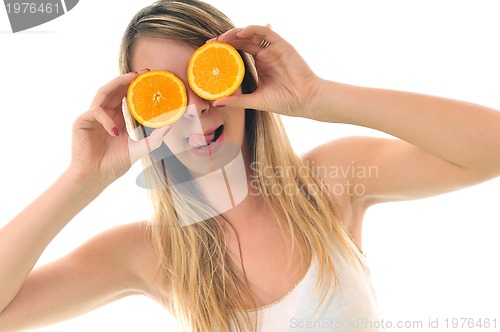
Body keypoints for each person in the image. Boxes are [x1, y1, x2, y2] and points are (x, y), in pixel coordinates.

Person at [1, 0, 499, 331]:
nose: (196, 110)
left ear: (241, 77)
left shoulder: (327, 182)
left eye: (207, 78)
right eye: (164, 93)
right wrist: (80, 181)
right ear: (138, 111)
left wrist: (317, 96)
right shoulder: (145, 252)